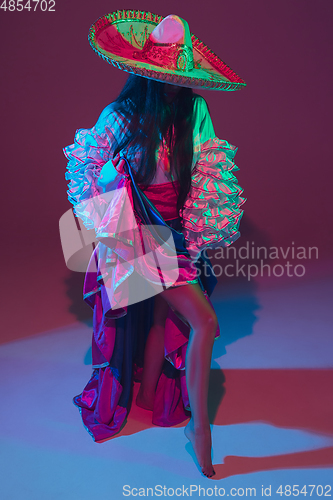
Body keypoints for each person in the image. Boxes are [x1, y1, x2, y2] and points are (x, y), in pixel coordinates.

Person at [63, 11, 246, 478]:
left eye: (176, 78)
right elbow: (87, 175)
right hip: (136, 235)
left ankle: (149, 397)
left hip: (174, 231)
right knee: (204, 321)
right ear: (143, 75)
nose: (169, 86)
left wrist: (194, 234)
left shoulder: (195, 111)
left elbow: (206, 175)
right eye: (160, 78)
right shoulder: (121, 115)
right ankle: (201, 432)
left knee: (164, 314)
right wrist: (115, 211)